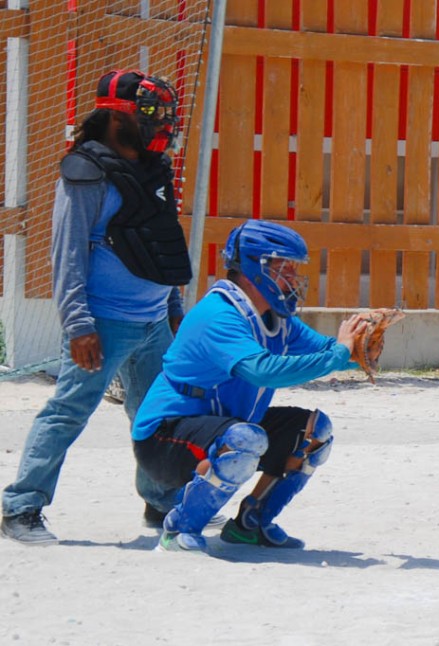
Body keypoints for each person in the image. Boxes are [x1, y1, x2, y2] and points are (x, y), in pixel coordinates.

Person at [1, 70, 191, 544]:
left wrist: (173, 305)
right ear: (115, 117)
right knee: (68, 412)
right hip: (103, 324)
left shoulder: (154, 168)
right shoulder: (86, 172)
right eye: (150, 113)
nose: (160, 123)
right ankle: (20, 508)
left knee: (157, 414)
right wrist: (78, 325)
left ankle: (162, 503)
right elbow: (66, 253)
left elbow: (160, 242)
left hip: (154, 322)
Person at [132, 220, 368, 552]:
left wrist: (361, 346)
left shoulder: (276, 318)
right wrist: (339, 354)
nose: (293, 277)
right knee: (245, 439)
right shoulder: (219, 314)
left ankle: (251, 524)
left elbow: (329, 352)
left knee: (317, 431)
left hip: (225, 426)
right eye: (284, 268)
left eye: (293, 268)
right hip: (163, 437)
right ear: (255, 269)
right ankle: (179, 529)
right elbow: (262, 371)